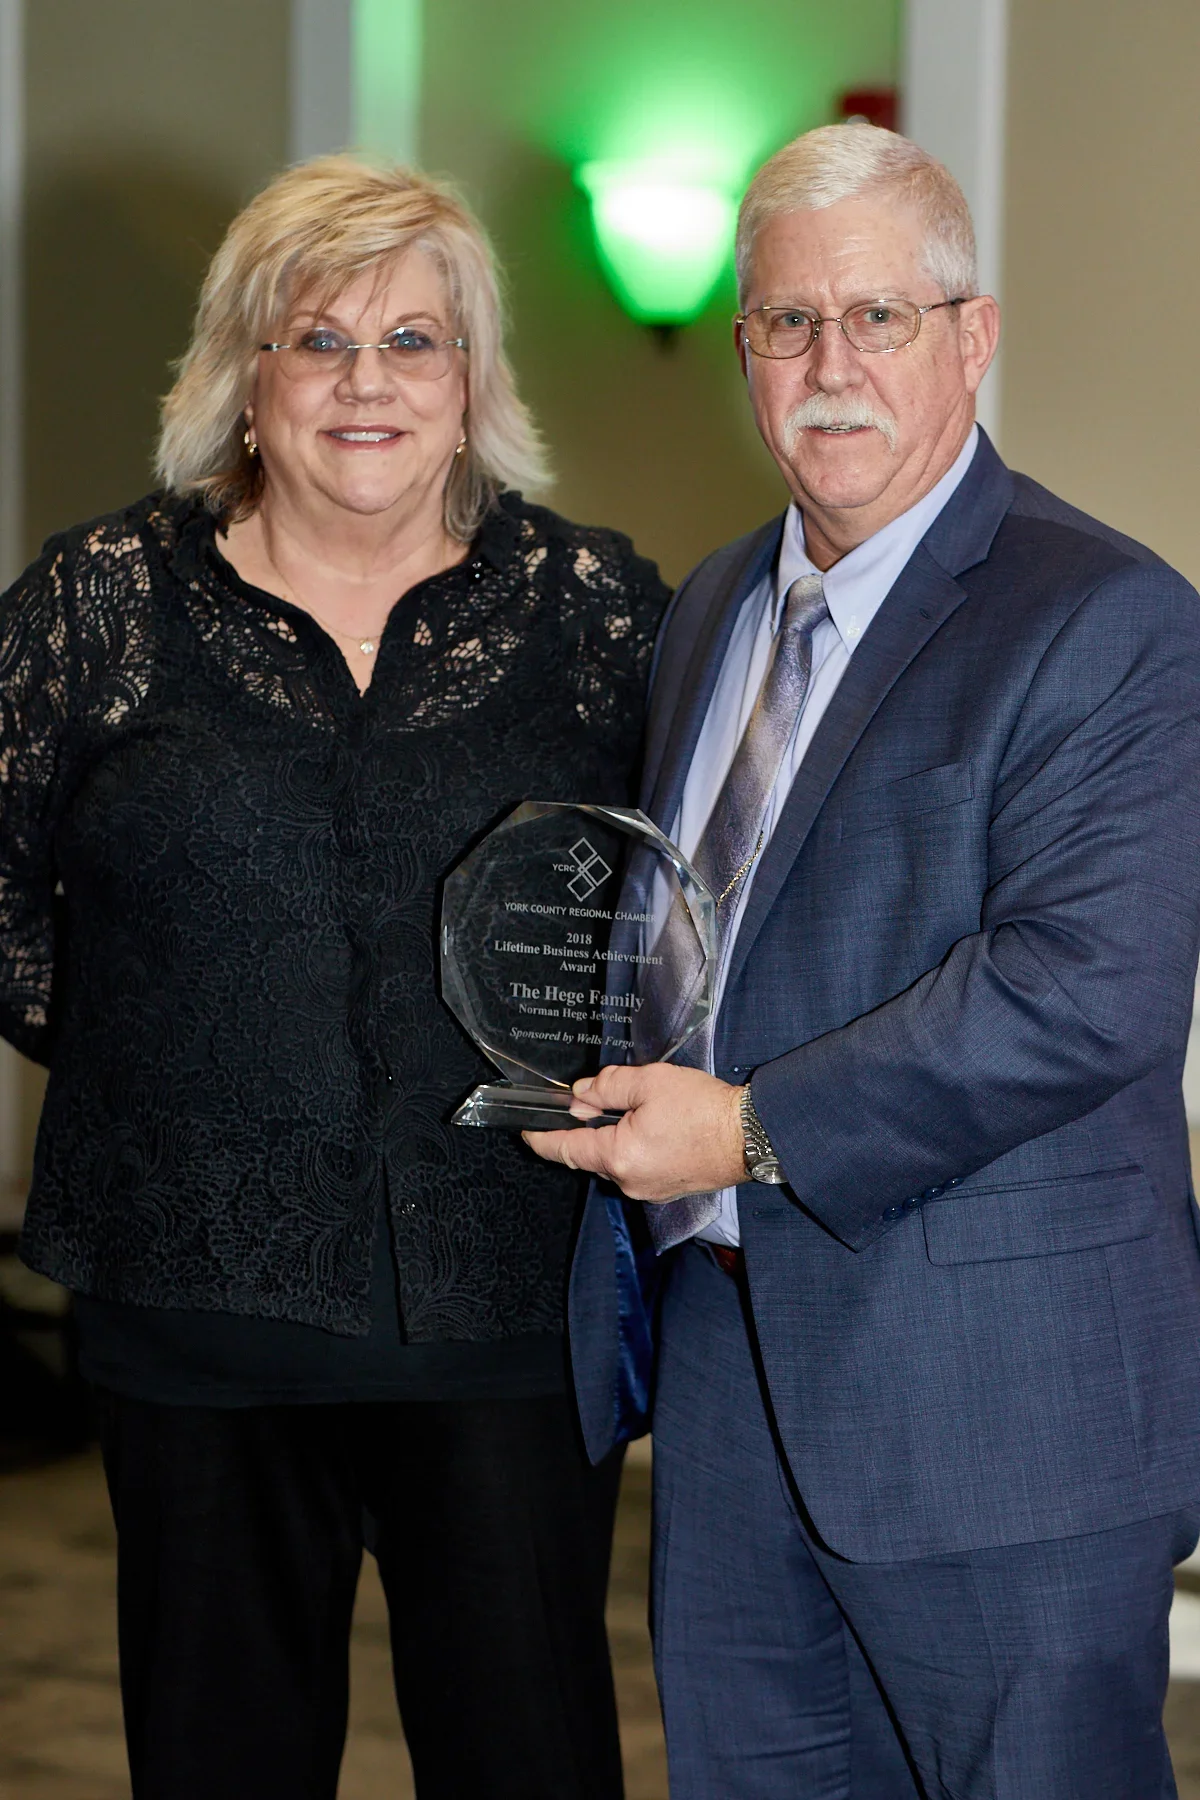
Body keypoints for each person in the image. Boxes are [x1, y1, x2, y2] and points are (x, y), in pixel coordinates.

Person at [529, 121, 1200, 1798]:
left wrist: (744, 1129)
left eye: (880, 318)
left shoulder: (1107, 616)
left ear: (973, 337)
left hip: (1001, 1418)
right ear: (745, 346)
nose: (830, 367)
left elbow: (1081, 991)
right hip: (734, 1373)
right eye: (787, 323)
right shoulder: (713, 609)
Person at [1, 155, 669, 1800]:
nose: (366, 382)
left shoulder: (594, 609)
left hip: (507, 1321)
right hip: (197, 1319)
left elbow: (679, 910)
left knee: (531, 1762)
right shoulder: (99, 606)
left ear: (472, 385)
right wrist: (165, 1052)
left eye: (415, 341)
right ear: (244, 379)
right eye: (318, 340)